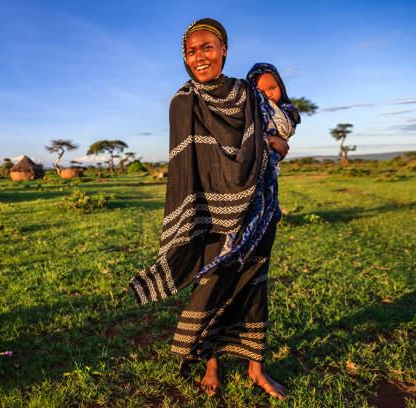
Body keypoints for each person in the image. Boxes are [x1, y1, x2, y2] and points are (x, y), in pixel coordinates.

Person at [129, 18, 292, 399]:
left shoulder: (248, 94)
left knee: (254, 285)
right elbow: (188, 167)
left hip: (258, 210)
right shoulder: (182, 102)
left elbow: (277, 140)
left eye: (207, 47)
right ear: (185, 59)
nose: (199, 57)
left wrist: (274, 144)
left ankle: (256, 369)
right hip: (211, 216)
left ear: (223, 50)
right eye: (191, 51)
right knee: (212, 284)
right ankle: (211, 364)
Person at [246, 63, 301, 179]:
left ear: (280, 85)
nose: (268, 94)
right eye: (261, 92)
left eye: (272, 88)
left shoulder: (287, 111)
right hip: (253, 170)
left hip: (273, 167)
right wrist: (269, 140)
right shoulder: (251, 111)